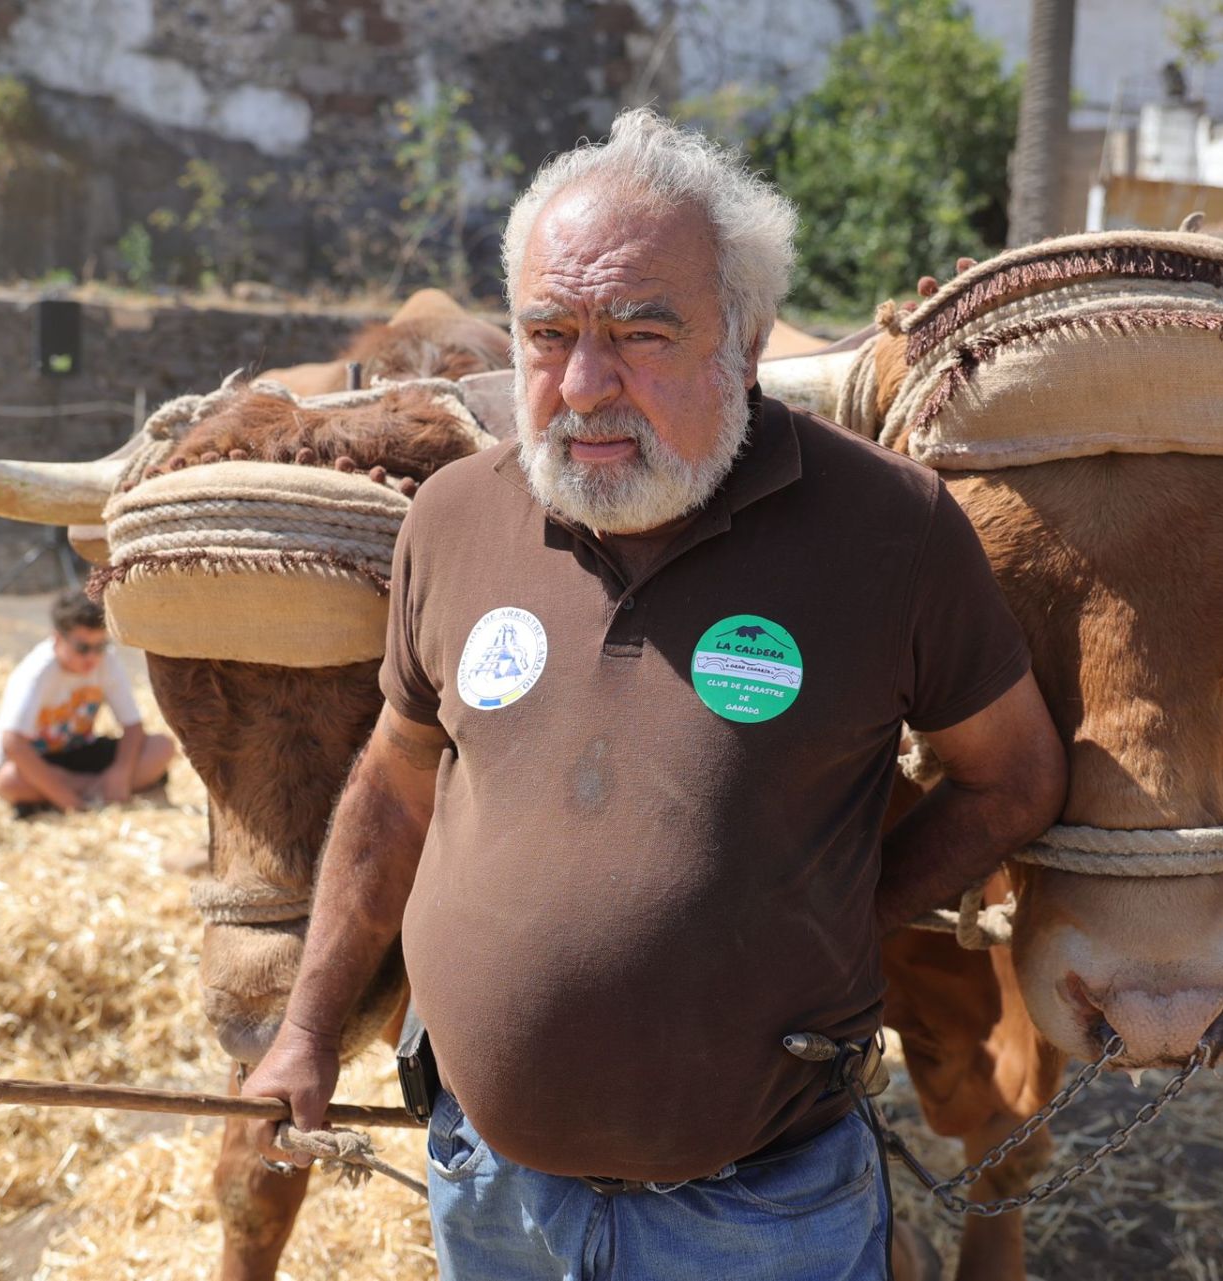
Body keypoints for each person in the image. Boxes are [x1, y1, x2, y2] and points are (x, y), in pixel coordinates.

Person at [244, 110, 1066, 1278]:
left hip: (762, 1212)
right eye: (548, 333)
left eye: (640, 332)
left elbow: (1014, 775)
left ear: (745, 337)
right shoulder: (455, 517)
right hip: (490, 1192)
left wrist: (845, 914)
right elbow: (392, 786)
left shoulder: (890, 530)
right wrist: (309, 1031)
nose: (583, 384)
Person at [0, 589, 175, 815]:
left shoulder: (107, 661)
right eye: (82, 648)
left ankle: (86, 792)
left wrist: (120, 773)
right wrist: (67, 801)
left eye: (100, 646)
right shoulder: (37, 672)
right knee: (9, 782)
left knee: (162, 747)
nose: (92, 657)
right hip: (35, 760)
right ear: (57, 639)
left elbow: (133, 726)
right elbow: (13, 744)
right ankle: (94, 791)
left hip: (79, 749)